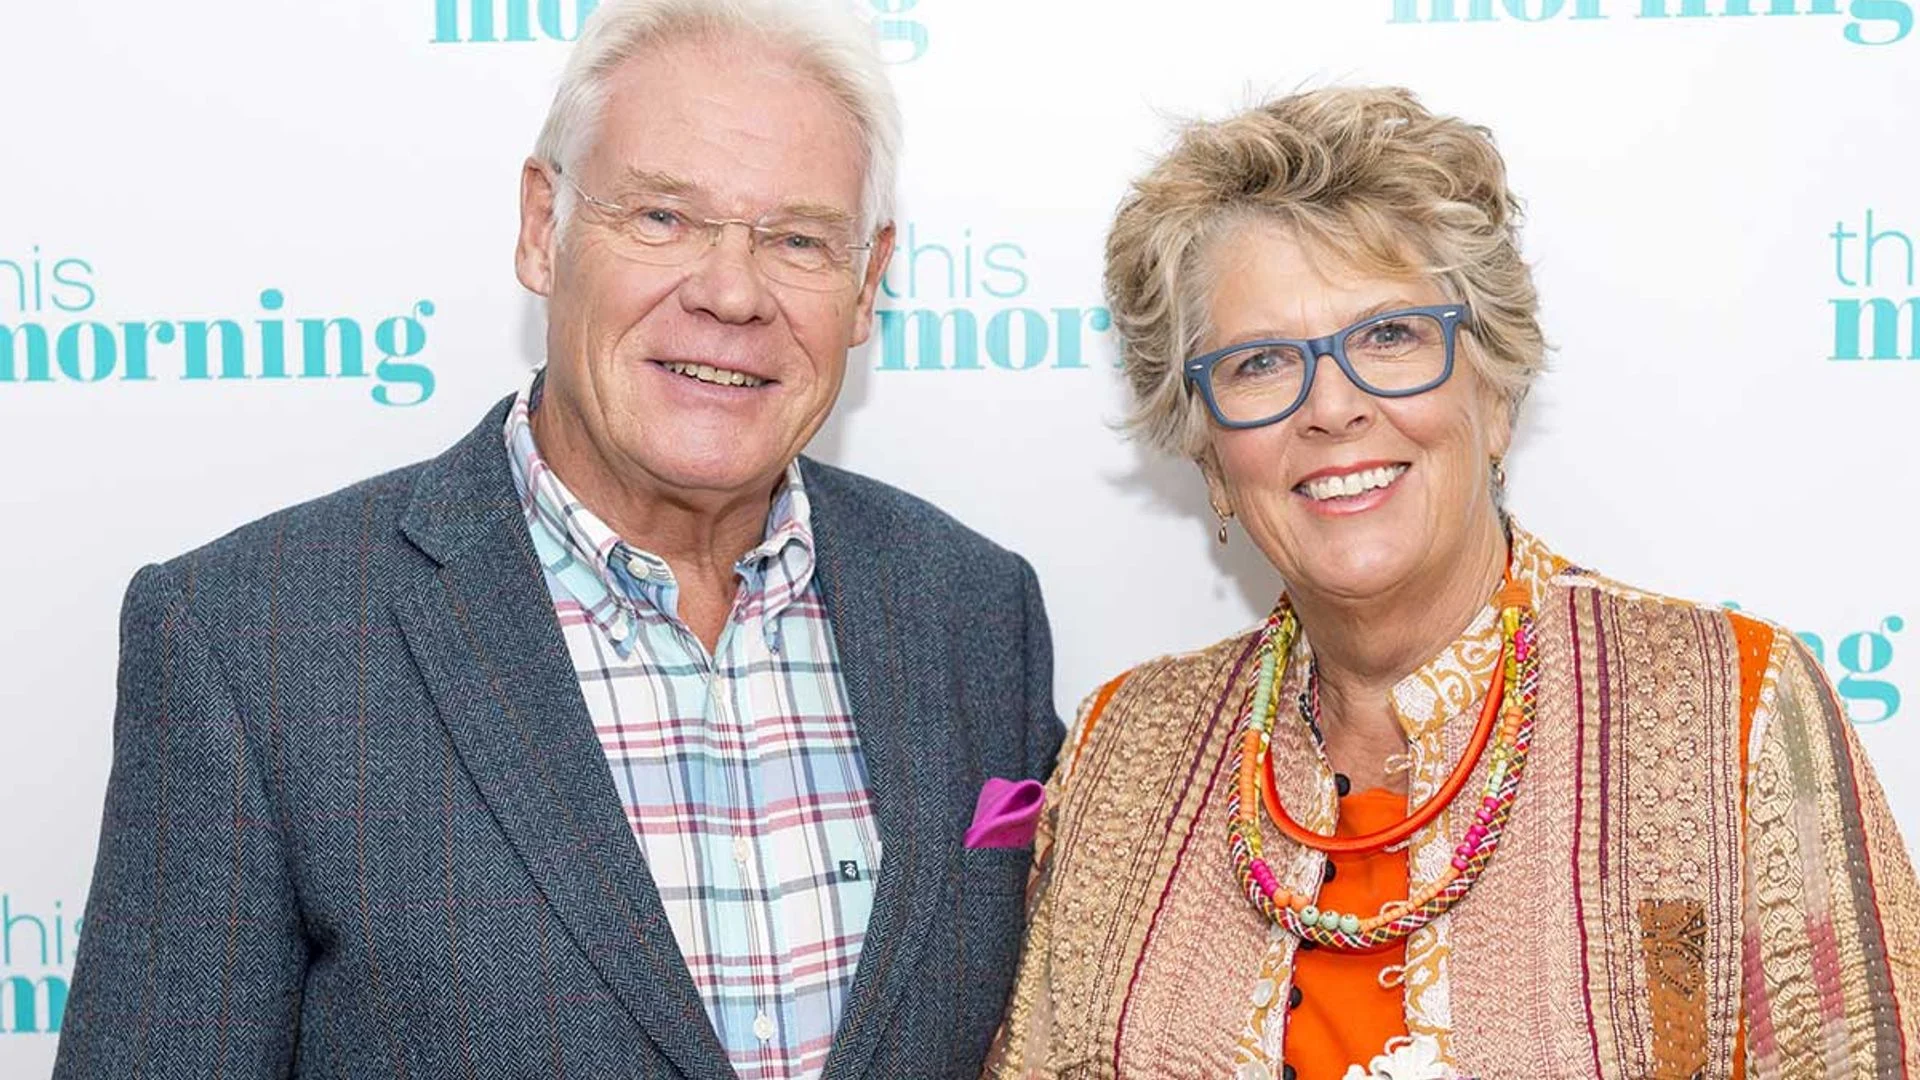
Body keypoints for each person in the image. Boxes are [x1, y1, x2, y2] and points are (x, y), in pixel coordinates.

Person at [54, 2, 1061, 1077]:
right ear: (543, 226)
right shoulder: (250, 645)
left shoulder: (975, 612)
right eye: (663, 217)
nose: (730, 291)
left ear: (869, 283)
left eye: (799, 240)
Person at [988, 86, 1920, 1080]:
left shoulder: (1728, 705)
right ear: (1211, 456)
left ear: (1496, 392)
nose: (1333, 407)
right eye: (1261, 362)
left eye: (1389, 336)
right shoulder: (1126, 749)